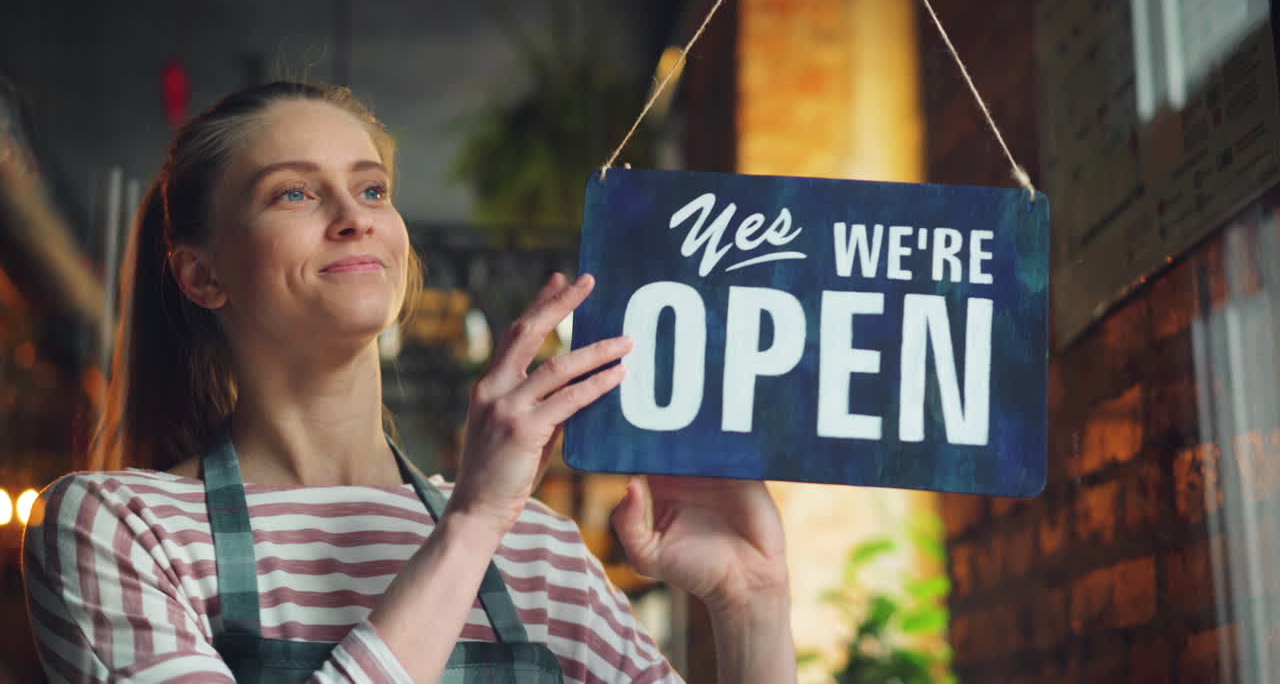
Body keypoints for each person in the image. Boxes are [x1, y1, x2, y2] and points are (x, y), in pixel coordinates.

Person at [22, 82, 796, 683]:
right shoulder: (121, 527)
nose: (354, 217)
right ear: (202, 274)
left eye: (372, 190)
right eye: (294, 193)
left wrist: (750, 603)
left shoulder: (540, 551)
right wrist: (471, 524)